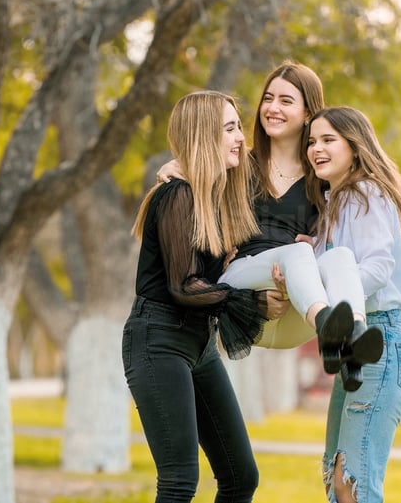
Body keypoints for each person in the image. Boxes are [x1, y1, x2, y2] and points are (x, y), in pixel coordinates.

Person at [157, 61, 382, 390]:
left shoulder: (320, 175)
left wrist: (318, 245)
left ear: (308, 113)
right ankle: (328, 328)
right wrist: (172, 166)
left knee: (341, 256)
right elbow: (197, 161)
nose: (272, 108)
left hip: (292, 306)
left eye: (286, 101)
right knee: (297, 252)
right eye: (268, 98)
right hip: (245, 294)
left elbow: (351, 208)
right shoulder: (236, 161)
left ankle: (352, 340)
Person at [122, 90, 288, 502]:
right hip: (158, 341)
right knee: (179, 481)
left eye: (238, 128)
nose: (240, 139)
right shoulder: (177, 196)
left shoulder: (216, 197)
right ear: (203, 136)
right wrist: (251, 305)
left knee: (240, 477)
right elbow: (184, 286)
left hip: (199, 345)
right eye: (229, 129)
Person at [304, 105, 401, 503]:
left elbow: (379, 264)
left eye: (327, 140)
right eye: (311, 142)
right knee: (338, 481)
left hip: (380, 342)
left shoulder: (364, 192)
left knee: (353, 483)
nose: (316, 149)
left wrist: (339, 293)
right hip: (357, 351)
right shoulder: (335, 203)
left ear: (354, 146)